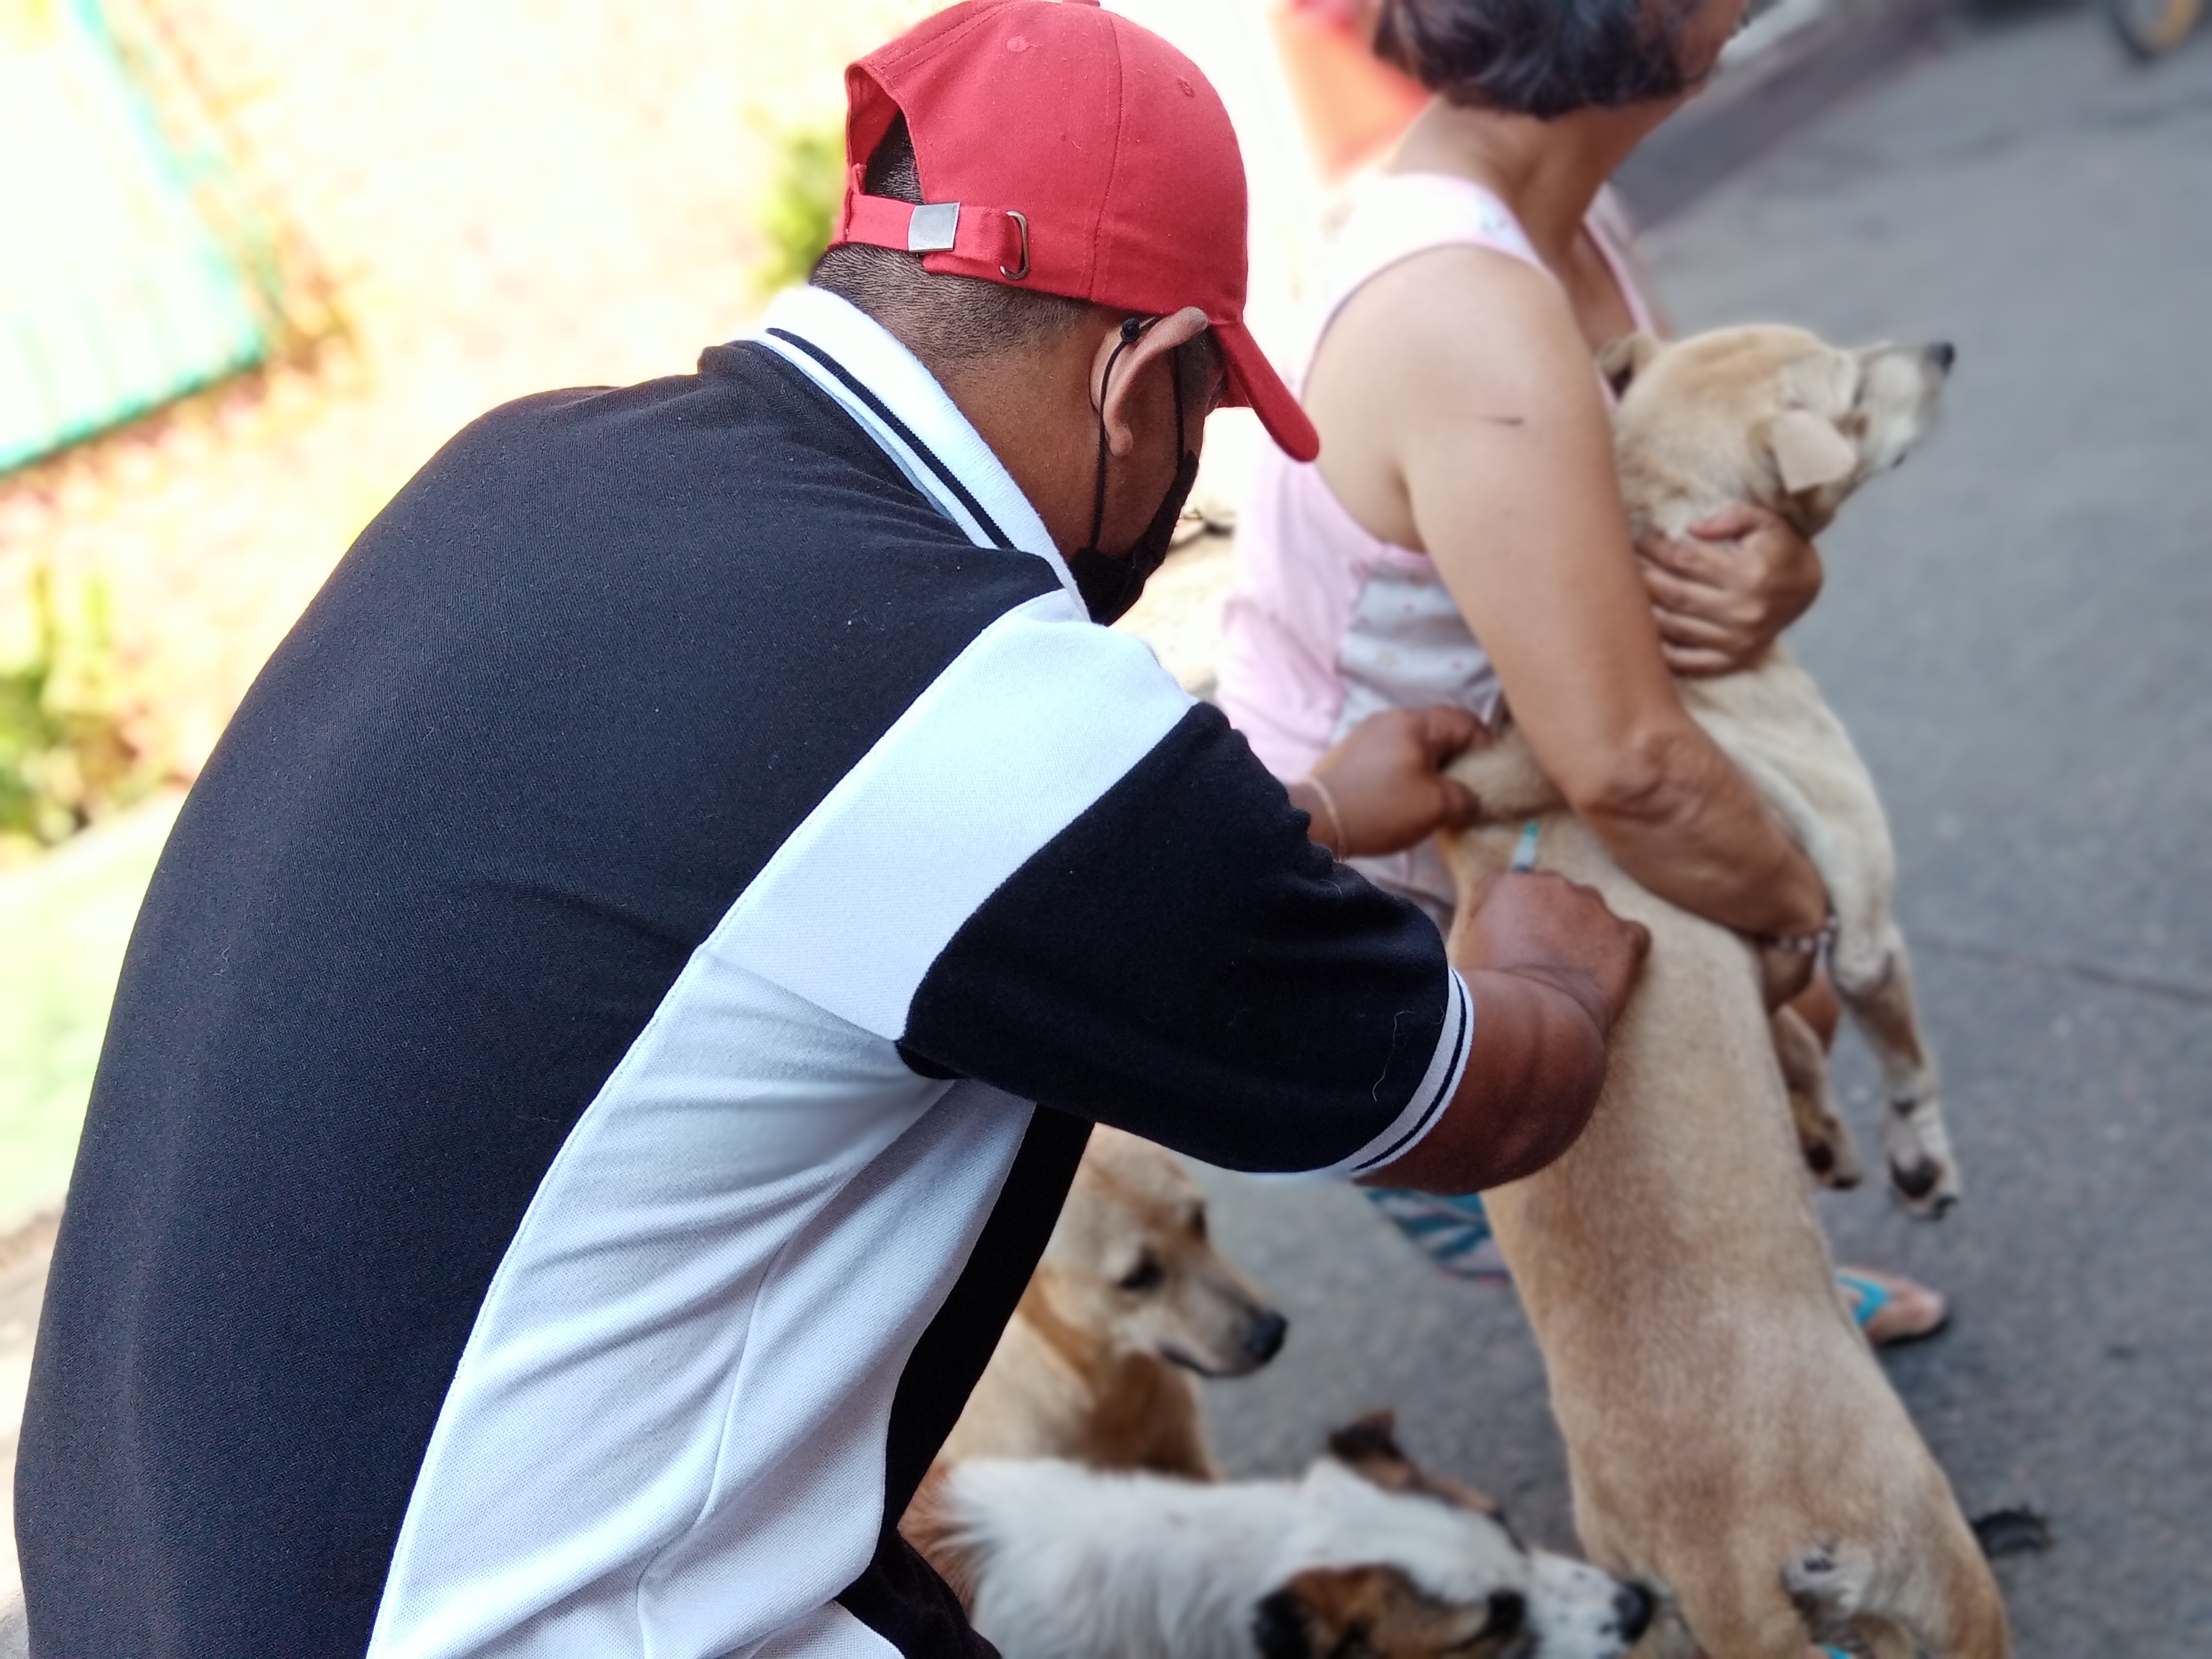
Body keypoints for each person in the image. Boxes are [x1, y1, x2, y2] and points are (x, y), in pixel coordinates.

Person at [14, 6, 1652, 1657]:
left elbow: (777, 877)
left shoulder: (514, 473)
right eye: (1207, 426)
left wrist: (1297, 816)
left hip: (138, 1580)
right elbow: (1472, 1099)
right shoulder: (999, 706)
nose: (1178, 496)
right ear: (1137, 382)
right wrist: (1542, 951)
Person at [1216, 0, 1946, 1343]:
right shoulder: (1463, 312)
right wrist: (1807, 917)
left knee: (1769, 1057)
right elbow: (1635, 767)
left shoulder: (1562, 221)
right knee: (1650, 1276)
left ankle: (1742, 1282)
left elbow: (1668, 504)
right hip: (1353, 937)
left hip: (1504, 820)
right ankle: (1710, 1317)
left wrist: (1786, 567)